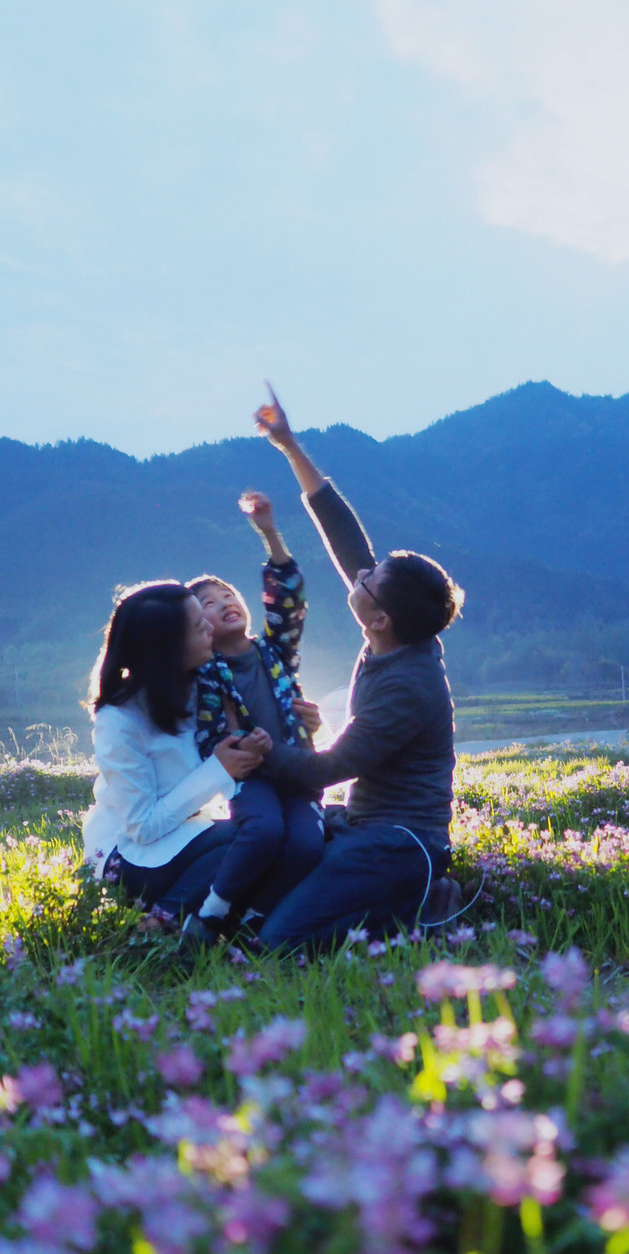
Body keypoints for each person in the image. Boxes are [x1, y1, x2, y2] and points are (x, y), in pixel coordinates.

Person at [249, 386, 465, 950]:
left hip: (400, 842)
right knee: (259, 897)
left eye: (368, 581)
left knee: (280, 941)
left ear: (382, 618)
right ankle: (404, 896)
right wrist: (288, 445)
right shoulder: (396, 634)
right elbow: (342, 530)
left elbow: (330, 769)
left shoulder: (408, 685)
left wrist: (258, 750)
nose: (360, 577)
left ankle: (426, 905)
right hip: (362, 827)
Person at [180, 489, 327, 942]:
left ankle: (253, 918)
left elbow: (288, 601)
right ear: (196, 626)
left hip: (297, 772)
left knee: (306, 844)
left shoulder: (274, 651)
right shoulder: (203, 673)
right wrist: (239, 745)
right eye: (208, 602)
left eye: (228, 593)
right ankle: (210, 913)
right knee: (263, 830)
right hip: (250, 777)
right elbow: (206, 738)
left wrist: (269, 532)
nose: (224, 601)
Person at [82, 581, 269, 932]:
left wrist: (302, 721)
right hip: (127, 852)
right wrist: (219, 769)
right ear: (169, 648)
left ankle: (215, 920)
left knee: (275, 834)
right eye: (200, 626)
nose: (211, 627)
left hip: (188, 836)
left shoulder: (204, 687)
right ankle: (162, 921)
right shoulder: (119, 721)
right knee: (249, 841)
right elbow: (142, 826)